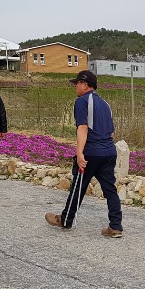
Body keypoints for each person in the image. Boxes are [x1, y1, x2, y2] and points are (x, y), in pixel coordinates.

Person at [45, 70, 123, 237]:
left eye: (77, 83)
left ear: (85, 85)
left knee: (78, 187)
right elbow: (111, 133)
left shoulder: (81, 102)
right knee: (110, 189)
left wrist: (79, 153)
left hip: (91, 152)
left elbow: (82, 128)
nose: (75, 86)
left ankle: (66, 220)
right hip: (109, 151)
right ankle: (116, 226)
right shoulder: (105, 103)